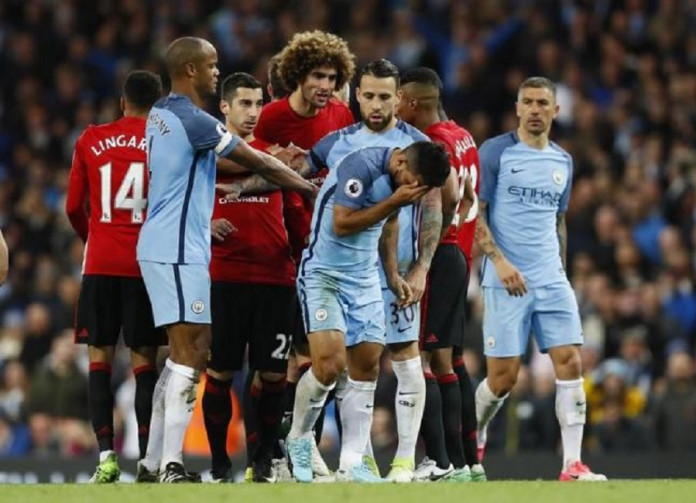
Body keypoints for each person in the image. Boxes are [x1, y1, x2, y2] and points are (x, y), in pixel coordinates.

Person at [135, 36, 315, 484]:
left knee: (180, 355)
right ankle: (172, 464)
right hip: (178, 249)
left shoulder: (160, 113)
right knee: (191, 355)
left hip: (164, 246)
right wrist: (307, 186)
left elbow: (233, 168)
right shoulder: (194, 120)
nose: (218, 72)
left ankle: (153, 460)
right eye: (212, 65)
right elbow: (256, 161)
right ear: (191, 70)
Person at [287, 141, 450, 483]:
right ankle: (299, 438)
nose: (413, 192)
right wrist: (394, 201)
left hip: (363, 278)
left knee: (366, 366)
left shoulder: (403, 181)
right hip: (324, 275)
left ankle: (352, 462)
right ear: (401, 160)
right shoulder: (359, 167)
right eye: (413, 183)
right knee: (330, 366)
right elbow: (343, 222)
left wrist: (391, 275)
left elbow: (390, 224)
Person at [307, 59, 439, 482]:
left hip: (395, 271)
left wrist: (420, 268)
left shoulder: (417, 144)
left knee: (404, 355)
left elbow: (435, 209)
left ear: (399, 97)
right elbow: (301, 178)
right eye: (369, 95)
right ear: (356, 95)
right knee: (347, 363)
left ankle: (403, 459)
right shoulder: (335, 143)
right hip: (345, 270)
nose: (377, 104)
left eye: (386, 96)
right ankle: (358, 459)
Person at [473, 76, 606, 481]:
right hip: (505, 278)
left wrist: (560, 271)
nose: (534, 110)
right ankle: (473, 434)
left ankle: (572, 464)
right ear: (517, 108)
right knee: (503, 379)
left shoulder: (562, 161)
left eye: (542, 103)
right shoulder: (495, 152)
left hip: (550, 278)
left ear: (555, 110)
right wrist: (499, 262)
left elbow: (558, 221)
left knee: (570, 362)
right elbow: (474, 215)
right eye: (527, 102)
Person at [253, 30, 356, 476]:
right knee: (274, 365)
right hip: (282, 252)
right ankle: (268, 456)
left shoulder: (341, 114)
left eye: (333, 77)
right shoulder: (270, 118)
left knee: (319, 359)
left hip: (327, 251)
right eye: (318, 75)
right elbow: (253, 169)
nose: (326, 86)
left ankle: (300, 451)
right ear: (298, 75)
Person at [65, 70, 165, 483]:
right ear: (157, 107)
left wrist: (97, 238)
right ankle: (145, 459)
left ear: (123, 102)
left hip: (102, 266)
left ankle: (106, 456)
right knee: (145, 364)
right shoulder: (165, 144)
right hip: (146, 266)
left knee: (100, 362)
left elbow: (73, 207)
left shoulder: (91, 138)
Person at [201, 72, 295, 483]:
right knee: (220, 372)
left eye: (258, 104)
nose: (253, 112)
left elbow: (298, 200)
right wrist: (206, 221)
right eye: (244, 104)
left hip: (276, 277)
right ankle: (220, 464)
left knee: (273, 374)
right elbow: (173, 203)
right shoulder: (201, 157)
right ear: (224, 107)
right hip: (225, 277)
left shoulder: (276, 156)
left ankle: (261, 461)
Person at [396, 67, 484, 482]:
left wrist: (429, 246)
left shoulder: (433, 143)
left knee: (424, 358)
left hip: (442, 251)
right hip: (462, 254)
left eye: (398, 98)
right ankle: (469, 462)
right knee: (452, 360)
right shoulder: (464, 135)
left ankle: (439, 461)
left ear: (412, 102)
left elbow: (448, 193)